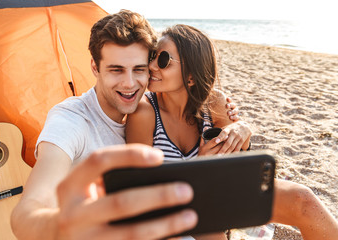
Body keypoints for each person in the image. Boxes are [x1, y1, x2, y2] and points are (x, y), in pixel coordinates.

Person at [11, 10, 246, 240]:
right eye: (116, 70)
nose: (130, 83)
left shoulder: (150, 112)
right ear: (95, 67)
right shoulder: (71, 120)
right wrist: (55, 228)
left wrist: (242, 126)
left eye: (140, 69)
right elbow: (28, 212)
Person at [125, 24, 338, 240]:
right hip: (175, 208)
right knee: (207, 227)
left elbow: (236, 164)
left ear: (190, 76)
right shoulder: (144, 112)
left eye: (162, 60)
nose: (151, 65)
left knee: (303, 199)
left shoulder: (214, 102)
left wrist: (241, 132)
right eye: (152, 56)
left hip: (219, 195)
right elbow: (141, 188)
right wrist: (197, 169)